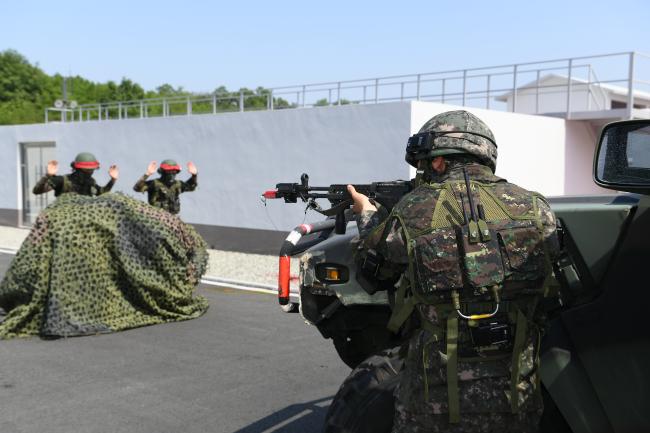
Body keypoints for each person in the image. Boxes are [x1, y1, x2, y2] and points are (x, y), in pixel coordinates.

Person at [347, 110, 560, 433]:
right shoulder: (536, 208)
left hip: (434, 405)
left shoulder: (414, 209)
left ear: (438, 162)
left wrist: (368, 217)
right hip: (517, 399)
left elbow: (372, 274)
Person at [32, 152, 118, 196]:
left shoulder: (90, 182)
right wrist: (48, 175)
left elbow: (102, 192)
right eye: (87, 170)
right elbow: (37, 191)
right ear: (77, 168)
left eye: (92, 170)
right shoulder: (61, 180)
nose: (90, 172)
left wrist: (113, 180)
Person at [133, 159, 198, 214]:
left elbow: (191, 187)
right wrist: (147, 174)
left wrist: (194, 175)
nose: (172, 175)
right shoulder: (154, 183)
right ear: (162, 172)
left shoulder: (178, 184)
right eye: (169, 172)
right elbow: (137, 188)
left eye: (174, 172)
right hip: (155, 215)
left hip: (172, 217)